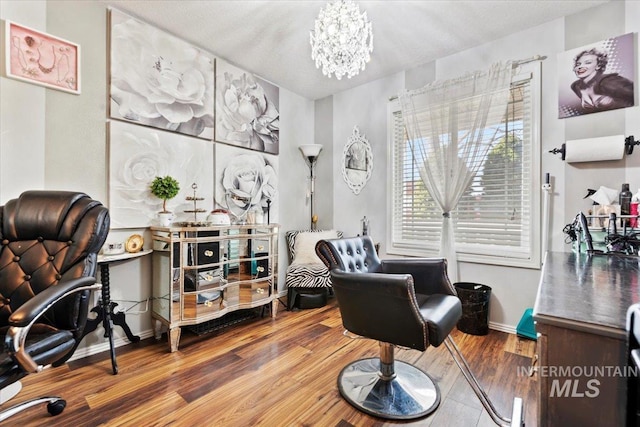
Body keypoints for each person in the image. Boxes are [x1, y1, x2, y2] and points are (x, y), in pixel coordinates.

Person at [570, 47, 634, 113]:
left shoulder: (610, 82)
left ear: (598, 66)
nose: (580, 67)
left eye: (588, 63)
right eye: (578, 64)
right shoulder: (576, 86)